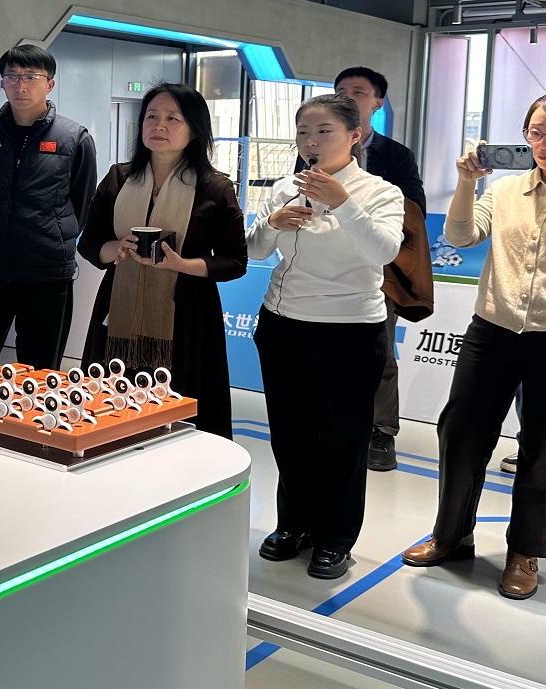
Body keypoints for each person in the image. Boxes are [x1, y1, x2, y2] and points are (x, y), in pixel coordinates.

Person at [402, 90, 546, 601]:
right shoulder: (505, 189)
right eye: (535, 132)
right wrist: (467, 182)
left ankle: (525, 551)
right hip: (493, 331)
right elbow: (461, 237)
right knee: (461, 433)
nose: (543, 144)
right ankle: (451, 534)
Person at [249, 94, 403, 580]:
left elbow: (384, 251)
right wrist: (271, 224)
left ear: (354, 136)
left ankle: (335, 538)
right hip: (283, 322)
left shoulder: (380, 192)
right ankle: (293, 524)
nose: (310, 142)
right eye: (303, 132)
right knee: (290, 434)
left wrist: (343, 203)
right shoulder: (285, 187)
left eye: (323, 131)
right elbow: (255, 251)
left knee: (342, 439)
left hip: (350, 329)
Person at [77, 83, 247, 439]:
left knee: (180, 411)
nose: (159, 125)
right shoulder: (119, 177)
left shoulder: (214, 187)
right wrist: (115, 249)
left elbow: (234, 261)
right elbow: (89, 243)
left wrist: (181, 265)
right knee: (111, 405)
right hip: (118, 310)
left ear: (195, 129)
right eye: (151, 116)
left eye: (173, 118)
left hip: (186, 314)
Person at [0, 45, 97, 374]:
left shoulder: (73, 138)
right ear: (2, 83)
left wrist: (51, 235)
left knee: (39, 374)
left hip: (45, 273)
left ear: (49, 84)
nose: (20, 85)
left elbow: (81, 204)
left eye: (30, 77)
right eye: (11, 77)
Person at [310, 67, 426, 473]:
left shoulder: (395, 156)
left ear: (377, 103)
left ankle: (381, 430)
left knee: (379, 352)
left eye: (358, 92)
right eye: (340, 90)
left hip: (378, 268)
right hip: (320, 266)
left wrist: (358, 200)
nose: (347, 96)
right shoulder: (313, 150)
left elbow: (414, 210)